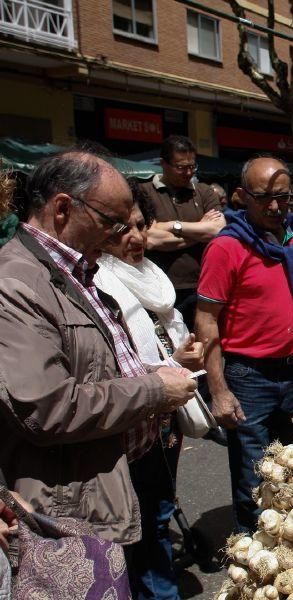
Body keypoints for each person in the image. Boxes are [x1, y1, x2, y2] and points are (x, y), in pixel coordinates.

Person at [0, 151, 197, 545]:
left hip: (111, 474)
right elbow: (47, 407)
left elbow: (97, 368)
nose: (118, 237)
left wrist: (154, 374)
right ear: (62, 209)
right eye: (111, 222)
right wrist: (154, 390)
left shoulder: (78, 270)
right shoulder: (16, 283)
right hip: (64, 508)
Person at [195, 157, 293, 533]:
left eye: (282, 197)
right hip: (249, 378)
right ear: (241, 197)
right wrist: (218, 390)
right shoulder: (226, 248)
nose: (274, 207)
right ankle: (253, 559)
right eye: (263, 197)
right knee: (255, 477)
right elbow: (205, 318)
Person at [94, 185, 205, 600]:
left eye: (141, 226)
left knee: (157, 509)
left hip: (164, 420)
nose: (135, 237)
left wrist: (179, 359)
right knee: (141, 521)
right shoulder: (100, 283)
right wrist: (170, 363)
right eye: (122, 229)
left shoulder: (154, 278)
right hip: (131, 424)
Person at [141, 135, 225, 332]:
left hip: (202, 288)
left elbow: (217, 230)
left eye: (192, 167)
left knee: (202, 345)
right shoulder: (144, 192)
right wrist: (199, 230)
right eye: (180, 167)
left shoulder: (204, 192)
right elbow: (150, 239)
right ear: (163, 163)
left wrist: (170, 226)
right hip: (159, 290)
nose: (188, 172)